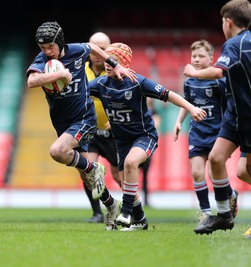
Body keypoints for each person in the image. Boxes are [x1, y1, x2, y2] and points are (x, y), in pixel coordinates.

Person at [26, 21, 137, 231]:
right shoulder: (43, 60)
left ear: (59, 42)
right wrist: (61, 75)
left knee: (57, 151)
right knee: (87, 177)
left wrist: (115, 64)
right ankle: (111, 206)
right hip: (63, 123)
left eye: (51, 46)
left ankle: (98, 172)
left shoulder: (76, 50)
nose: (47, 51)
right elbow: (32, 81)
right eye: (43, 48)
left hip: (84, 117)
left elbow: (93, 47)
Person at [89, 42, 207, 231]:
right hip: (121, 141)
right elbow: (77, 94)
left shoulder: (138, 82)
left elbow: (168, 94)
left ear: (124, 63)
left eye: (114, 60)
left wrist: (191, 108)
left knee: (130, 163)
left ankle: (125, 213)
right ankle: (140, 220)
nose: (108, 64)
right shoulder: (100, 84)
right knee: (126, 184)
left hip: (145, 136)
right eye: (107, 60)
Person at [183, 0, 251, 235]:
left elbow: (219, 71)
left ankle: (223, 211)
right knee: (217, 158)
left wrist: (194, 72)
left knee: (244, 170)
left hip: (247, 116)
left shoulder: (234, 43)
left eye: (222, 21)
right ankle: (223, 215)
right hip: (236, 115)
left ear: (228, 22)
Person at [174, 39, 238, 232]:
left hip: (217, 133)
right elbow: (186, 102)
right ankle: (205, 212)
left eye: (201, 56)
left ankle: (230, 194)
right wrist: (179, 121)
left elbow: (229, 105)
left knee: (214, 172)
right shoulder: (189, 82)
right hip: (197, 133)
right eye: (194, 56)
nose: (196, 59)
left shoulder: (219, 82)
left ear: (212, 59)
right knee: (196, 172)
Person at [83, 32, 122, 223]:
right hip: (90, 132)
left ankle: (131, 208)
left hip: (112, 133)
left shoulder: (117, 71)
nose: (97, 53)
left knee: (118, 174)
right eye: (93, 48)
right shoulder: (79, 70)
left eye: (103, 49)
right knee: (87, 170)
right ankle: (97, 213)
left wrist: (116, 120)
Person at [141, 98, 161, 206]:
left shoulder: (154, 111)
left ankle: (146, 200)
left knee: (145, 175)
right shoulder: (140, 109)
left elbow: (155, 125)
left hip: (147, 144)